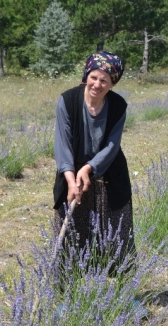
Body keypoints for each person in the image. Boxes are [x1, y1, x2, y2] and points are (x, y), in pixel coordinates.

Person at [53, 51, 134, 270]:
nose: (97, 84)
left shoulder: (118, 106)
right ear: (86, 75)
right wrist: (71, 179)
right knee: (72, 232)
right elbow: (63, 144)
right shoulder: (67, 101)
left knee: (116, 232)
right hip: (72, 173)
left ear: (112, 84)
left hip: (109, 174)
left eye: (104, 80)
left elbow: (111, 146)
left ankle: (121, 288)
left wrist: (89, 168)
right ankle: (66, 289)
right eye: (94, 77)